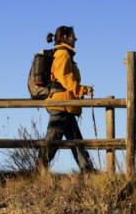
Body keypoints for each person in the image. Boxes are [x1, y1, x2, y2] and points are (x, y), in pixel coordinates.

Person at [39, 26, 95, 172]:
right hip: (61, 104)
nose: (75, 39)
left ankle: (87, 170)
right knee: (52, 141)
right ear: (65, 37)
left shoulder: (64, 54)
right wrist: (82, 89)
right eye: (73, 37)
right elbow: (66, 78)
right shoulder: (63, 54)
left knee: (76, 141)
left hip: (66, 105)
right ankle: (38, 170)